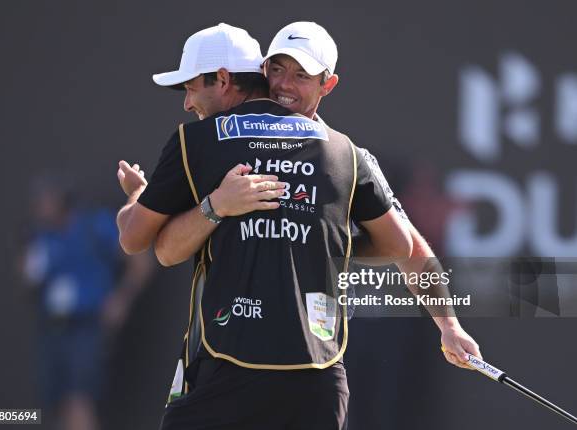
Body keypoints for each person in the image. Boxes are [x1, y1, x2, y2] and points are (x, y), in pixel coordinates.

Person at [117, 23, 412, 429]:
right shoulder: (345, 151)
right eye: (279, 70)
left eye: (190, 87)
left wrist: (140, 196)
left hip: (225, 370)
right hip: (317, 378)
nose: (187, 103)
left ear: (222, 79)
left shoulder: (199, 140)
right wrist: (324, 238)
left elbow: (137, 240)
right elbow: (400, 246)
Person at [20, 173, 152, 430]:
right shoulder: (40, 235)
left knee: (80, 399)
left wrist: (121, 300)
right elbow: (30, 278)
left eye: (47, 200)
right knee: (57, 400)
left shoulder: (93, 225)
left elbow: (140, 262)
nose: (42, 207)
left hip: (87, 326)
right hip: (53, 327)